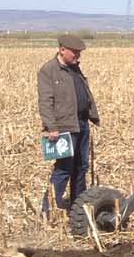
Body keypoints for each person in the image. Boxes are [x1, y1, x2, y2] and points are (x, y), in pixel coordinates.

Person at [37, 34, 100, 213]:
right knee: (64, 168)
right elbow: (45, 101)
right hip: (64, 127)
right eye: (75, 52)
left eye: (79, 53)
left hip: (81, 123)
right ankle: (47, 210)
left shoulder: (75, 69)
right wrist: (52, 127)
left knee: (81, 167)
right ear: (62, 49)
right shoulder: (48, 71)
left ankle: (78, 206)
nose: (77, 56)